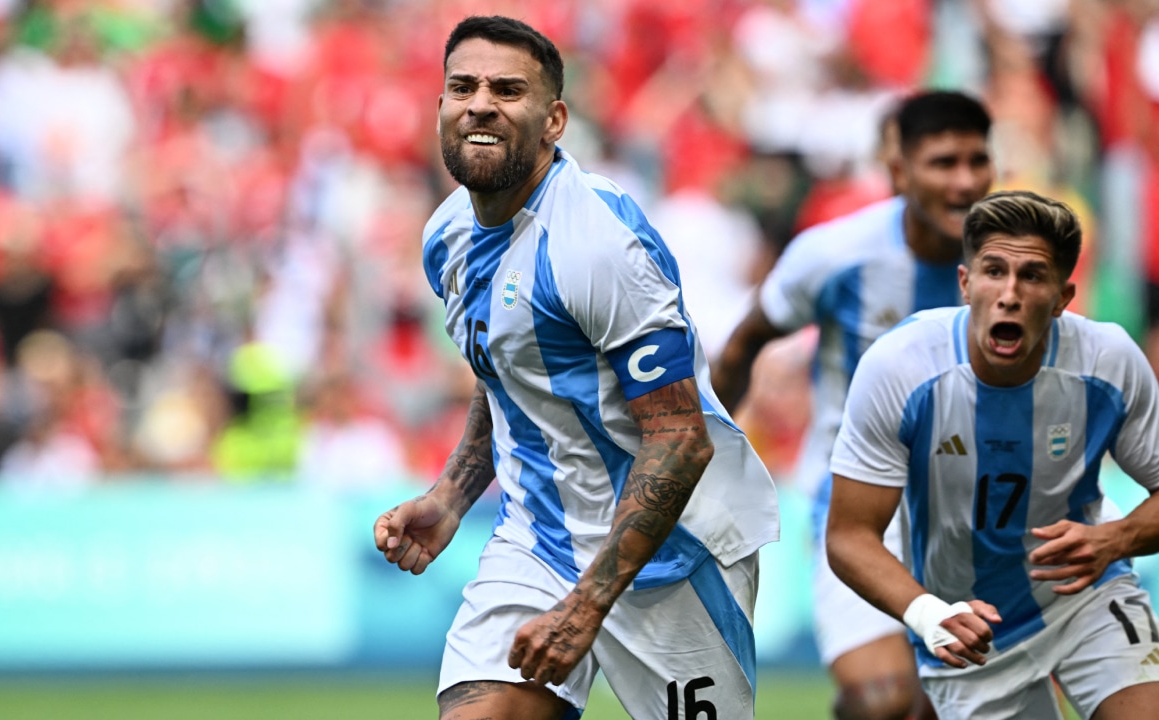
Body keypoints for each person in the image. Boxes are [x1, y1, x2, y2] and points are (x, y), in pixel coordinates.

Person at [372, 16, 780, 720]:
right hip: (538, 539)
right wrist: (450, 498)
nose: (480, 104)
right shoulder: (448, 237)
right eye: (462, 86)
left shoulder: (599, 246)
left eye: (508, 90)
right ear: (439, 106)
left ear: (554, 119)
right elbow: (507, 365)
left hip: (671, 558)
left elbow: (680, 438)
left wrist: (588, 605)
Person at [712, 90, 993, 719]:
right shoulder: (837, 255)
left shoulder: (1010, 259)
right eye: (943, 163)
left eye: (978, 162)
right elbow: (742, 346)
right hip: (861, 505)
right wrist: (697, 458)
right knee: (882, 701)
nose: (964, 182)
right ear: (899, 171)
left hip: (980, 507)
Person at [827, 189, 1159, 719]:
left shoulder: (1110, 361)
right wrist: (926, 612)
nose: (1009, 293)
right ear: (965, 283)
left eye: (1032, 276)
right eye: (994, 271)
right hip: (970, 628)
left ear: (1062, 298)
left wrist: (1114, 538)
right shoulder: (901, 367)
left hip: (1086, 599)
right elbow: (848, 535)